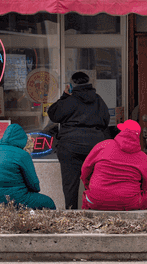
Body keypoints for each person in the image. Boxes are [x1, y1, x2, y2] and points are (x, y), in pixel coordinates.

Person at [47, 71, 110, 209]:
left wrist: (64, 96)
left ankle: (71, 213)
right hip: (94, 147)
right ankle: (95, 211)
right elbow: (106, 121)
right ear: (89, 83)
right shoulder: (98, 100)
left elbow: (53, 114)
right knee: (96, 182)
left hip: (70, 147)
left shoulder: (69, 100)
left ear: (71, 85)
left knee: (70, 185)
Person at [80, 120, 147, 210]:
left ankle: (85, 220)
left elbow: (85, 169)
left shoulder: (103, 145)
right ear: (137, 136)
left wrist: (89, 186)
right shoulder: (143, 157)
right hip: (129, 202)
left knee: (86, 198)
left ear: (121, 132)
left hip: (96, 200)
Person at [0, 123, 56, 210]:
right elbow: (34, 186)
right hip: (15, 199)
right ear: (22, 140)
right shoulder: (22, 155)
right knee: (48, 202)